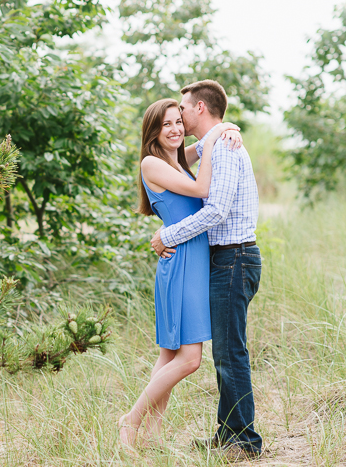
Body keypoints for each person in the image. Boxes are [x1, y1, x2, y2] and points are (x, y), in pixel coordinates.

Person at [150, 80, 263, 461]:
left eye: (182, 108)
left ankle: (245, 440)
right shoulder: (216, 143)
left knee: (230, 353)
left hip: (234, 257)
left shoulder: (227, 148)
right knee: (225, 353)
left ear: (199, 107)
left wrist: (168, 235)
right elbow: (186, 157)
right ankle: (229, 431)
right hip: (222, 259)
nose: (178, 116)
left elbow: (215, 210)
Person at [119, 98, 241, 449]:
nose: (174, 130)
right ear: (153, 131)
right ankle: (131, 420)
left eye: (177, 122)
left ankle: (153, 436)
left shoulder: (175, 159)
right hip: (181, 262)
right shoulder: (152, 164)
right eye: (165, 125)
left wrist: (230, 130)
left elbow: (203, 144)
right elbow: (203, 190)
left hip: (191, 259)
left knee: (170, 355)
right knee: (189, 359)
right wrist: (218, 134)